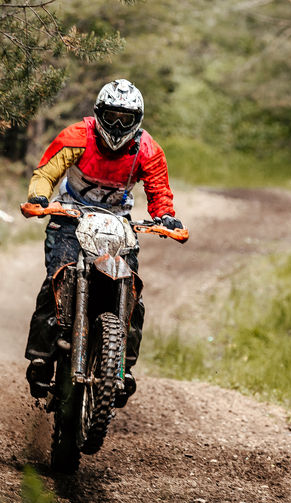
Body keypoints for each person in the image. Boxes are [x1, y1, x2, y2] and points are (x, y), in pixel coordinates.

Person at [24, 78, 183, 406]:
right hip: (69, 218)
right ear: (98, 114)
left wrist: (166, 216)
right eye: (111, 116)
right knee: (57, 280)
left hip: (118, 226)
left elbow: (159, 193)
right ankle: (41, 356)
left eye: (125, 119)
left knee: (133, 293)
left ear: (137, 121)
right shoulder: (76, 136)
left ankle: (122, 368)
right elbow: (46, 173)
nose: (117, 124)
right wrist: (39, 197)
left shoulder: (147, 150)